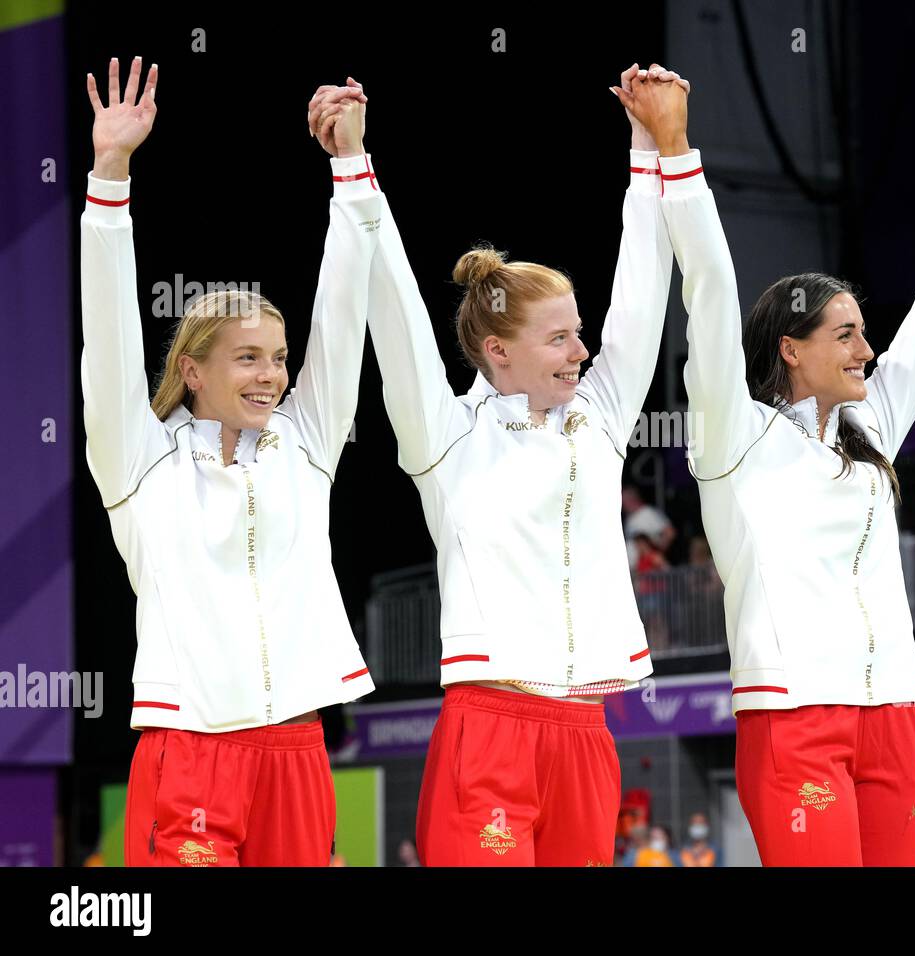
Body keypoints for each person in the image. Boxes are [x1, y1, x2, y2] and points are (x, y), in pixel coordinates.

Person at [619, 74, 915, 865]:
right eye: (847, 336)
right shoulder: (736, 438)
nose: (867, 351)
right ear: (791, 348)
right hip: (793, 716)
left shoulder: (870, 428)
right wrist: (677, 152)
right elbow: (713, 296)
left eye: (864, 335)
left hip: (895, 710)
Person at [307, 66, 686, 866]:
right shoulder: (445, 435)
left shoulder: (601, 420)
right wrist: (353, 167)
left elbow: (644, 293)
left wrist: (647, 149)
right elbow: (397, 308)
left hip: (587, 729)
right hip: (491, 723)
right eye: (560, 339)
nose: (583, 352)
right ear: (497, 350)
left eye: (580, 335)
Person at [83, 59, 378, 866]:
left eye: (279, 359)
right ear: (192, 370)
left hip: (297, 750)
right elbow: (107, 342)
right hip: (190, 746)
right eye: (248, 358)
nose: (273, 375)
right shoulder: (139, 462)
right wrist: (111, 177)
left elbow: (345, 311)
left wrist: (350, 166)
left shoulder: (306, 446)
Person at [623, 483, 677, 567]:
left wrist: (657, 552)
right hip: (635, 568)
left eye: (624, 501)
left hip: (650, 569)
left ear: (632, 498)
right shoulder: (629, 519)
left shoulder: (648, 512)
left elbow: (670, 532)